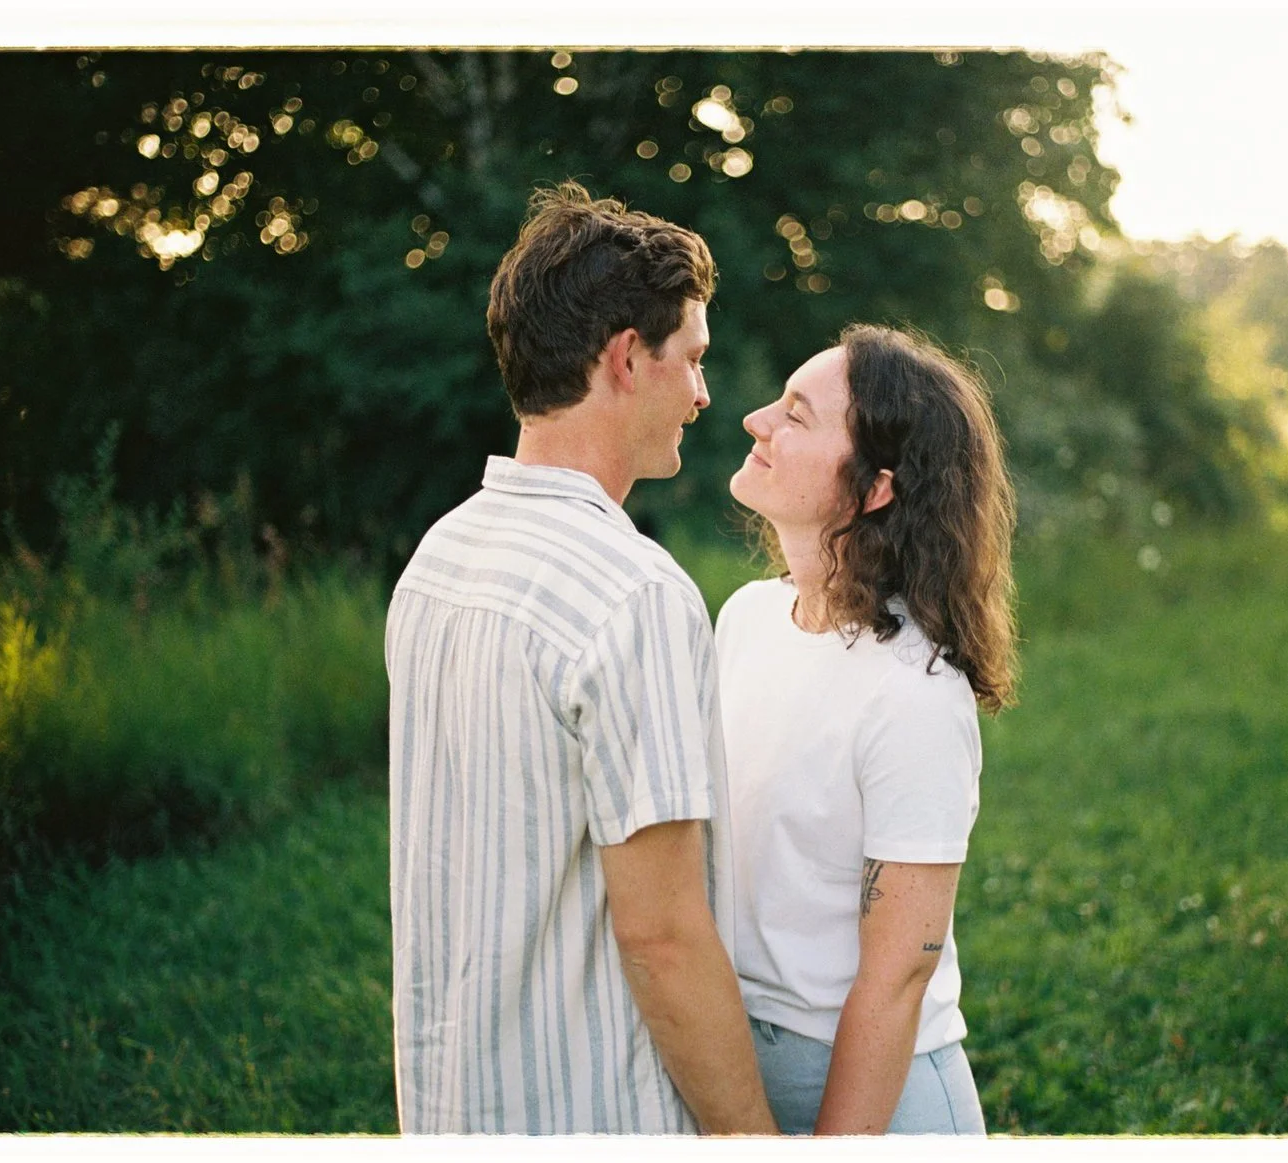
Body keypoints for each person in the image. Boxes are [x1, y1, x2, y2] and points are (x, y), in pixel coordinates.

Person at [384, 181, 774, 1134]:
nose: (703, 394)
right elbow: (665, 934)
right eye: (691, 360)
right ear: (627, 359)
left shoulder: (440, 558)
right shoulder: (633, 595)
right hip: (590, 1112)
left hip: (452, 1109)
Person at [713, 324, 1016, 1135]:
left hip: (872, 1096)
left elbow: (896, 980)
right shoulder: (746, 619)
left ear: (874, 487)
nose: (755, 420)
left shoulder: (913, 691)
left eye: (796, 416)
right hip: (737, 1068)